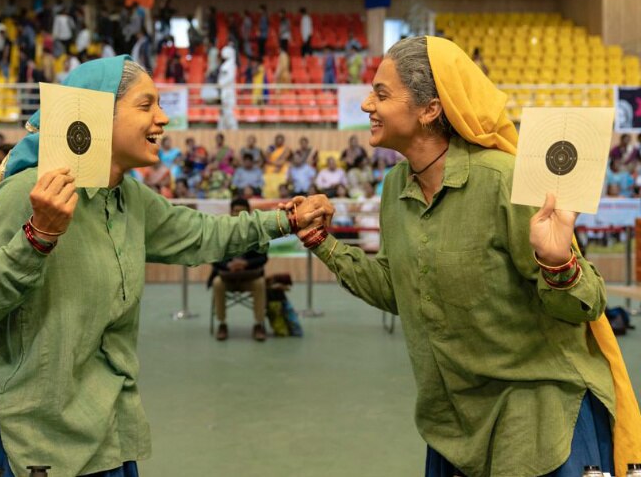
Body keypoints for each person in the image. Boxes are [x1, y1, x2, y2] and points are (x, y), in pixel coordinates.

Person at [0, 56, 330, 477]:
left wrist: (286, 219)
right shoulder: (23, 195)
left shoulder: (129, 200)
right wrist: (38, 237)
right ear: (96, 116)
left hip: (106, 437)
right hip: (21, 446)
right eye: (146, 105)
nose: (162, 118)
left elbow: (202, 234)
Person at [283, 36, 641, 477]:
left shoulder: (503, 180)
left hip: (537, 414)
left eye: (381, 93)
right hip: (453, 419)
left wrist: (558, 263)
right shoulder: (396, 187)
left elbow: (585, 304)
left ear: (430, 109)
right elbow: (400, 291)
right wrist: (323, 243)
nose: (365, 105)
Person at [209, 198, 269, 341]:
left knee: (260, 283)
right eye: (236, 211)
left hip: (250, 277)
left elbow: (263, 258)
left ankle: (259, 324)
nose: (238, 214)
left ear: (248, 213)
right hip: (227, 277)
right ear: (230, 212)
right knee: (217, 283)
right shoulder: (221, 232)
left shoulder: (257, 232)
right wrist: (229, 265)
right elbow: (214, 258)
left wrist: (245, 263)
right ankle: (222, 324)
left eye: (242, 211)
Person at [218, 44, 238, 129]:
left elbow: (229, 78)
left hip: (228, 92)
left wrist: (221, 83)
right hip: (224, 91)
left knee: (228, 113)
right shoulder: (226, 65)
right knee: (223, 113)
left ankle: (234, 129)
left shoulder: (231, 66)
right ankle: (221, 129)